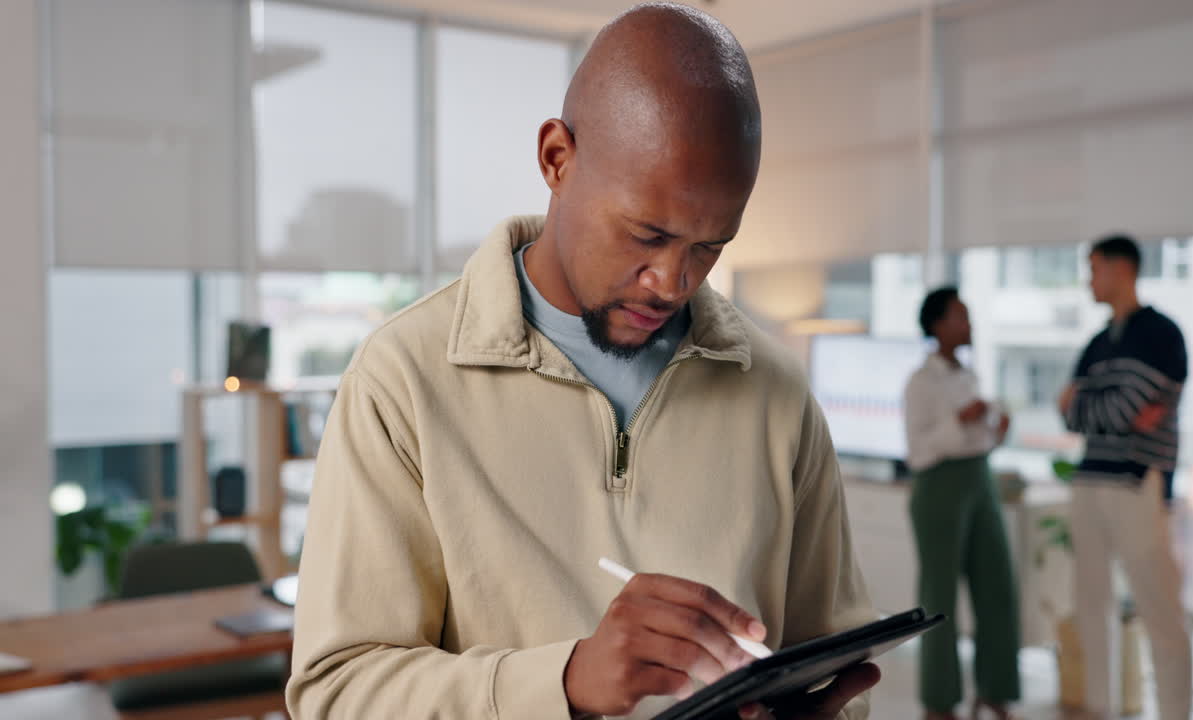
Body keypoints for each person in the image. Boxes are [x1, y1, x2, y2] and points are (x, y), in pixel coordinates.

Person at [285, 4, 881, 719]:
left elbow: (826, 664)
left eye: (709, 245)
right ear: (556, 159)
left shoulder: (778, 394)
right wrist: (563, 684)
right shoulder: (404, 379)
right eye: (647, 234)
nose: (672, 281)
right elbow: (337, 692)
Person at [1057, 235, 1191, 720]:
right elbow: (1073, 414)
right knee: (1090, 604)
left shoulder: (1162, 333)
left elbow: (1111, 407)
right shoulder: (1096, 342)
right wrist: (1106, 410)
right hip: (1091, 481)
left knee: (1159, 608)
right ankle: (1098, 708)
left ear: (1121, 268)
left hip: (1137, 481)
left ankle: (1176, 712)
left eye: (1093, 268)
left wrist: (1091, 406)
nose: (1088, 279)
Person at [902, 287, 1022, 720]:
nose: (969, 325)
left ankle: (996, 690)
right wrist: (961, 421)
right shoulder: (920, 382)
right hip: (938, 487)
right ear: (937, 325)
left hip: (980, 479)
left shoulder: (967, 376)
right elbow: (918, 449)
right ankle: (939, 702)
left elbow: (979, 438)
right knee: (940, 597)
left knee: (998, 588)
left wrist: (996, 429)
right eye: (961, 317)